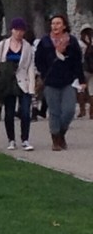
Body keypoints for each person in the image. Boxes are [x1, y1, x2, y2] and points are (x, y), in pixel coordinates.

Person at [34, 13, 86, 151]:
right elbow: (38, 60)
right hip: (50, 81)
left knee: (69, 110)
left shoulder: (72, 41)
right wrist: (45, 71)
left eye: (58, 23)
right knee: (54, 111)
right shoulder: (45, 41)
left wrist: (81, 79)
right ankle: (56, 140)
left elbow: (77, 62)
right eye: (53, 24)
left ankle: (61, 132)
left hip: (67, 81)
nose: (55, 26)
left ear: (64, 26)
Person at [0, 17, 37, 151]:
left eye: (21, 30)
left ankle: (25, 139)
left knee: (25, 112)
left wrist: (31, 86)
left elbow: (30, 66)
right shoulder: (3, 44)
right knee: (9, 112)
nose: (19, 33)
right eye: (16, 30)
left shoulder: (27, 46)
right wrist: (4, 67)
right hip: (8, 82)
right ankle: (11, 139)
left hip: (23, 81)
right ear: (11, 30)